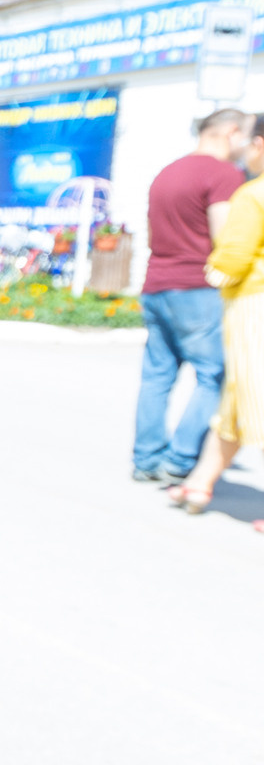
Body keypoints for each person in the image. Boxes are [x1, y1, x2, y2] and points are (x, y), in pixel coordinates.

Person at [135, 108, 248, 482]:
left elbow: (152, 236)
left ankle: (146, 459)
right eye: (245, 136)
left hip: (156, 284)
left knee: (157, 376)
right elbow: (225, 237)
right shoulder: (224, 175)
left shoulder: (166, 172)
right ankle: (181, 461)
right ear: (231, 132)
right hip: (197, 287)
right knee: (213, 375)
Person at [169, 133, 264, 528]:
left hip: (254, 301)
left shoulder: (253, 193)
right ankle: (200, 482)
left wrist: (215, 273)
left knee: (253, 392)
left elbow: (236, 251)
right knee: (237, 400)